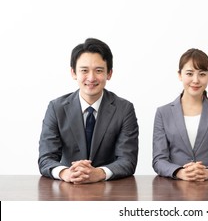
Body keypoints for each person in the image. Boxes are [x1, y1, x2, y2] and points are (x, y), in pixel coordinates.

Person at [38, 38, 139, 184]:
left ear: (109, 73)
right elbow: (46, 158)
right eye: (84, 70)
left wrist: (99, 173)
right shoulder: (56, 108)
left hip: (109, 190)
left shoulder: (124, 109)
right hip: (68, 188)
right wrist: (65, 173)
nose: (91, 78)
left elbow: (127, 160)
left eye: (99, 71)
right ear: (73, 73)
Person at [153, 48, 208, 181]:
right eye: (189, 73)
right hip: (174, 189)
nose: (195, 80)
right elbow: (158, 160)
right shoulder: (163, 113)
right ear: (180, 75)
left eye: (202, 74)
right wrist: (180, 172)